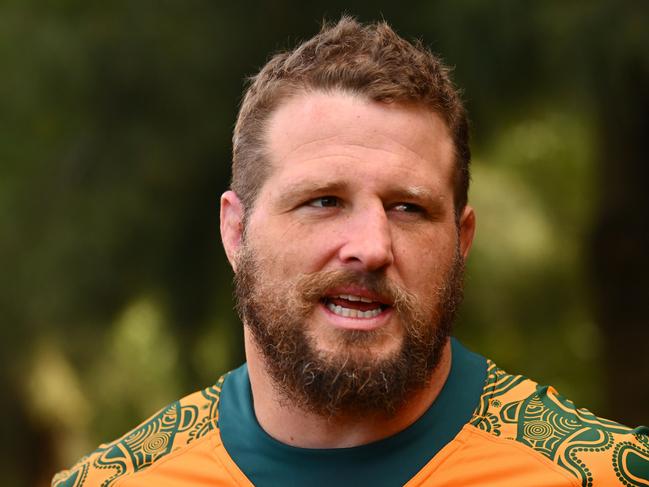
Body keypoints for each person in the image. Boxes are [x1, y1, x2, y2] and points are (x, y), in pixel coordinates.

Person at [52, 17, 648, 487]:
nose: (370, 248)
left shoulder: (602, 474)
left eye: (408, 208)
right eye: (323, 201)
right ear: (236, 232)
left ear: (461, 241)